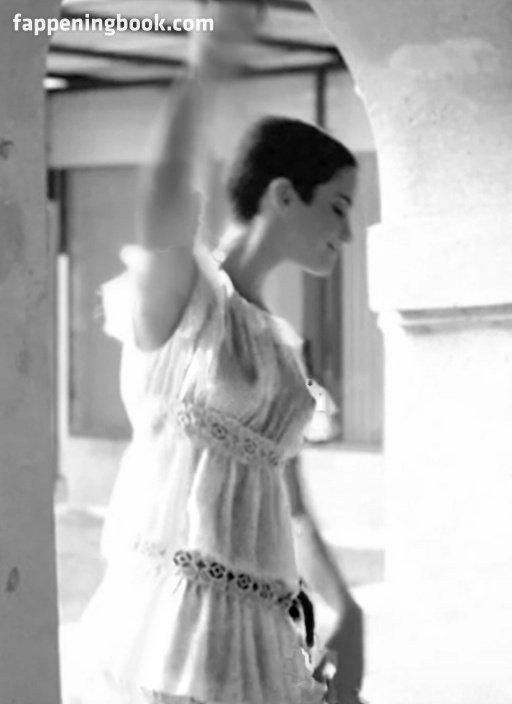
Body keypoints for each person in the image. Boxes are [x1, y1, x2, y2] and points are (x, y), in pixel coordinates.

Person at [79, 3, 363, 704]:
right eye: (338, 206)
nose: (348, 232)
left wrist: (345, 607)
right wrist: (203, 64)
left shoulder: (282, 349)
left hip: (257, 647)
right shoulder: (191, 299)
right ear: (284, 196)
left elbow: (290, 500)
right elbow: (162, 194)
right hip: (165, 638)